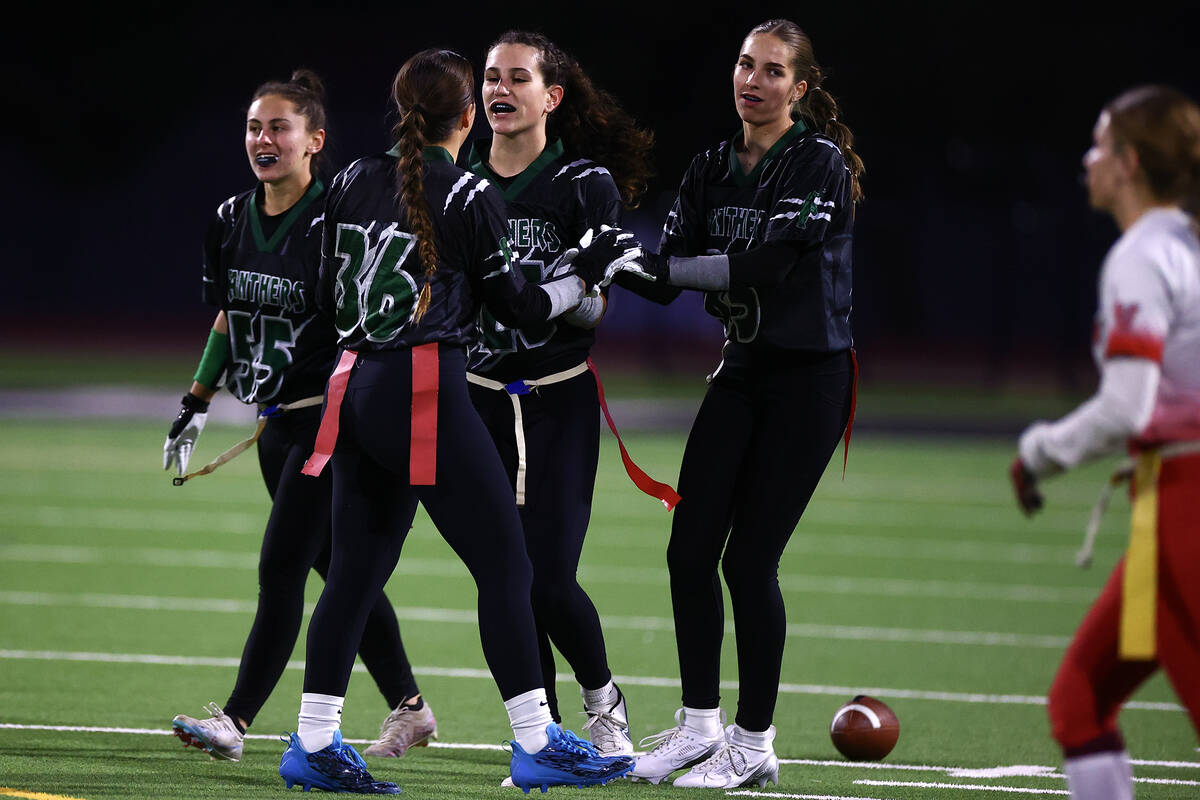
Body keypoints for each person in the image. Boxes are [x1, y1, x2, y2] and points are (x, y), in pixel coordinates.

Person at [274, 48, 637, 794]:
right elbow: (525, 308)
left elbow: (317, 292)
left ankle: (312, 743)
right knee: (508, 565)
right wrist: (584, 272)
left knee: (353, 574)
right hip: (425, 387)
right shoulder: (469, 192)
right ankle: (537, 741)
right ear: (467, 116)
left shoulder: (346, 179)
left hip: (357, 383)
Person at [584, 17, 864, 788]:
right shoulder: (712, 164)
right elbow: (671, 273)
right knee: (688, 548)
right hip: (742, 367)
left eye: (773, 70)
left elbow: (766, 266)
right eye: (745, 64)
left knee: (748, 561)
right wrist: (607, 257)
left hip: (808, 379)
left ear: (800, 88)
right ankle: (701, 728)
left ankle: (753, 742)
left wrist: (646, 265)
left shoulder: (816, 163)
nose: (753, 79)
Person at [163, 69, 435, 764]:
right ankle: (410, 706)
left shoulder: (338, 218)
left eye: (279, 127)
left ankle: (236, 720)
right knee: (334, 567)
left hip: (330, 417)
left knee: (281, 568)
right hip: (275, 422)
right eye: (255, 127)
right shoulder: (229, 219)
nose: (264, 139)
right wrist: (197, 400)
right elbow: (230, 315)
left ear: (314, 140)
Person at [463, 30, 654, 758]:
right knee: (504, 583)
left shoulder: (582, 184)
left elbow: (597, 308)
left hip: (555, 399)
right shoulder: (458, 183)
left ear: (553, 96)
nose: (499, 90)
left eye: (517, 77)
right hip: (475, 401)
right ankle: (541, 741)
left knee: (547, 581)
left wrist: (557, 290)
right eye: (489, 77)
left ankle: (602, 700)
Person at [1011, 85, 1200, 800]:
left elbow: (1127, 406)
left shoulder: (1145, 253)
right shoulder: (1187, 243)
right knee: (1081, 699)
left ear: (1126, 163)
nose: (1086, 159)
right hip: (1166, 510)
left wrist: (1040, 452)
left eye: (1098, 144)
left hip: (1187, 505)